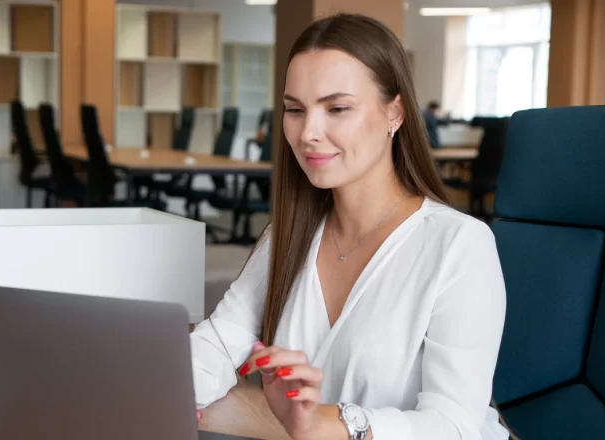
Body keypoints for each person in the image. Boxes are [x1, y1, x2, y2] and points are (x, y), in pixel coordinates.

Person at [190, 13, 510, 440]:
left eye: (337, 108)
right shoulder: (286, 236)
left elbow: (453, 427)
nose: (308, 133)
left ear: (394, 112)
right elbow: (215, 346)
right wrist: (149, 382)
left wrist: (331, 423)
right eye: (294, 110)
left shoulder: (460, 245)